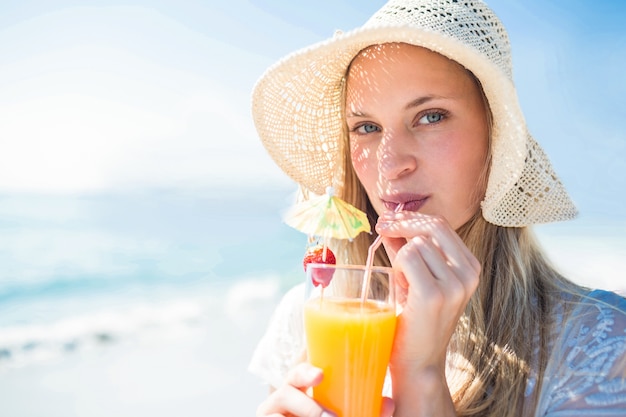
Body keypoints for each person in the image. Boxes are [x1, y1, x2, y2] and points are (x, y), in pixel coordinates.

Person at [248, 1, 626, 416]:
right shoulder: (304, 323)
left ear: (496, 138)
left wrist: (421, 375)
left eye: (430, 117)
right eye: (367, 127)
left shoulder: (601, 350)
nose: (391, 164)